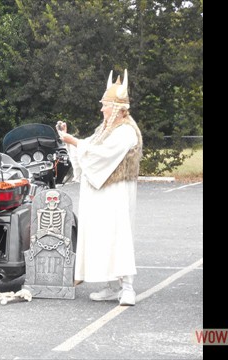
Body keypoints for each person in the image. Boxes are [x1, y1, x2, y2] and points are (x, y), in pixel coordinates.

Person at [56, 69, 143, 306]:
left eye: (105, 105)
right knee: (102, 237)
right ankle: (111, 286)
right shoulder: (104, 129)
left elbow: (101, 154)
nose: (102, 109)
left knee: (120, 236)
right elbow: (89, 150)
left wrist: (73, 141)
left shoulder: (126, 131)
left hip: (117, 194)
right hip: (100, 194)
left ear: (116, 108)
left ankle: (127, 288)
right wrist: (68, 139)